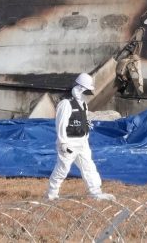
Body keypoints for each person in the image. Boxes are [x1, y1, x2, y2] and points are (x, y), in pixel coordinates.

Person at [46, 73, 114, 202]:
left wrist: (86, 133)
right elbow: (61, 124)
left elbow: (85, 119)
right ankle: (52, 194)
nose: (86, 93)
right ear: (79, 88)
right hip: (69, 143)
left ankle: (96, 192)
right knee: (62, 169)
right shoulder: (66, 104)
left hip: (82, 142)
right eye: (85, 90)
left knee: (89, 166)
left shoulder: (83, 104)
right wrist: (63, 143)